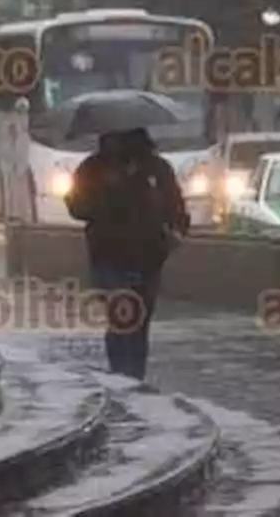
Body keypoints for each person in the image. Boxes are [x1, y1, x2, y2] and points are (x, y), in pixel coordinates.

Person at [65, 127, 188, 379]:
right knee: (122, 319)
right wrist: (107, 193)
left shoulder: (156, 168)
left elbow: (175, 206)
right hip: (109, 256)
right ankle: (122, 376)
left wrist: (177, 232)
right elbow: (78, 207)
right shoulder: (93, 168)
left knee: (140, 323)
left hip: (149, 257)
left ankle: (134, 378)